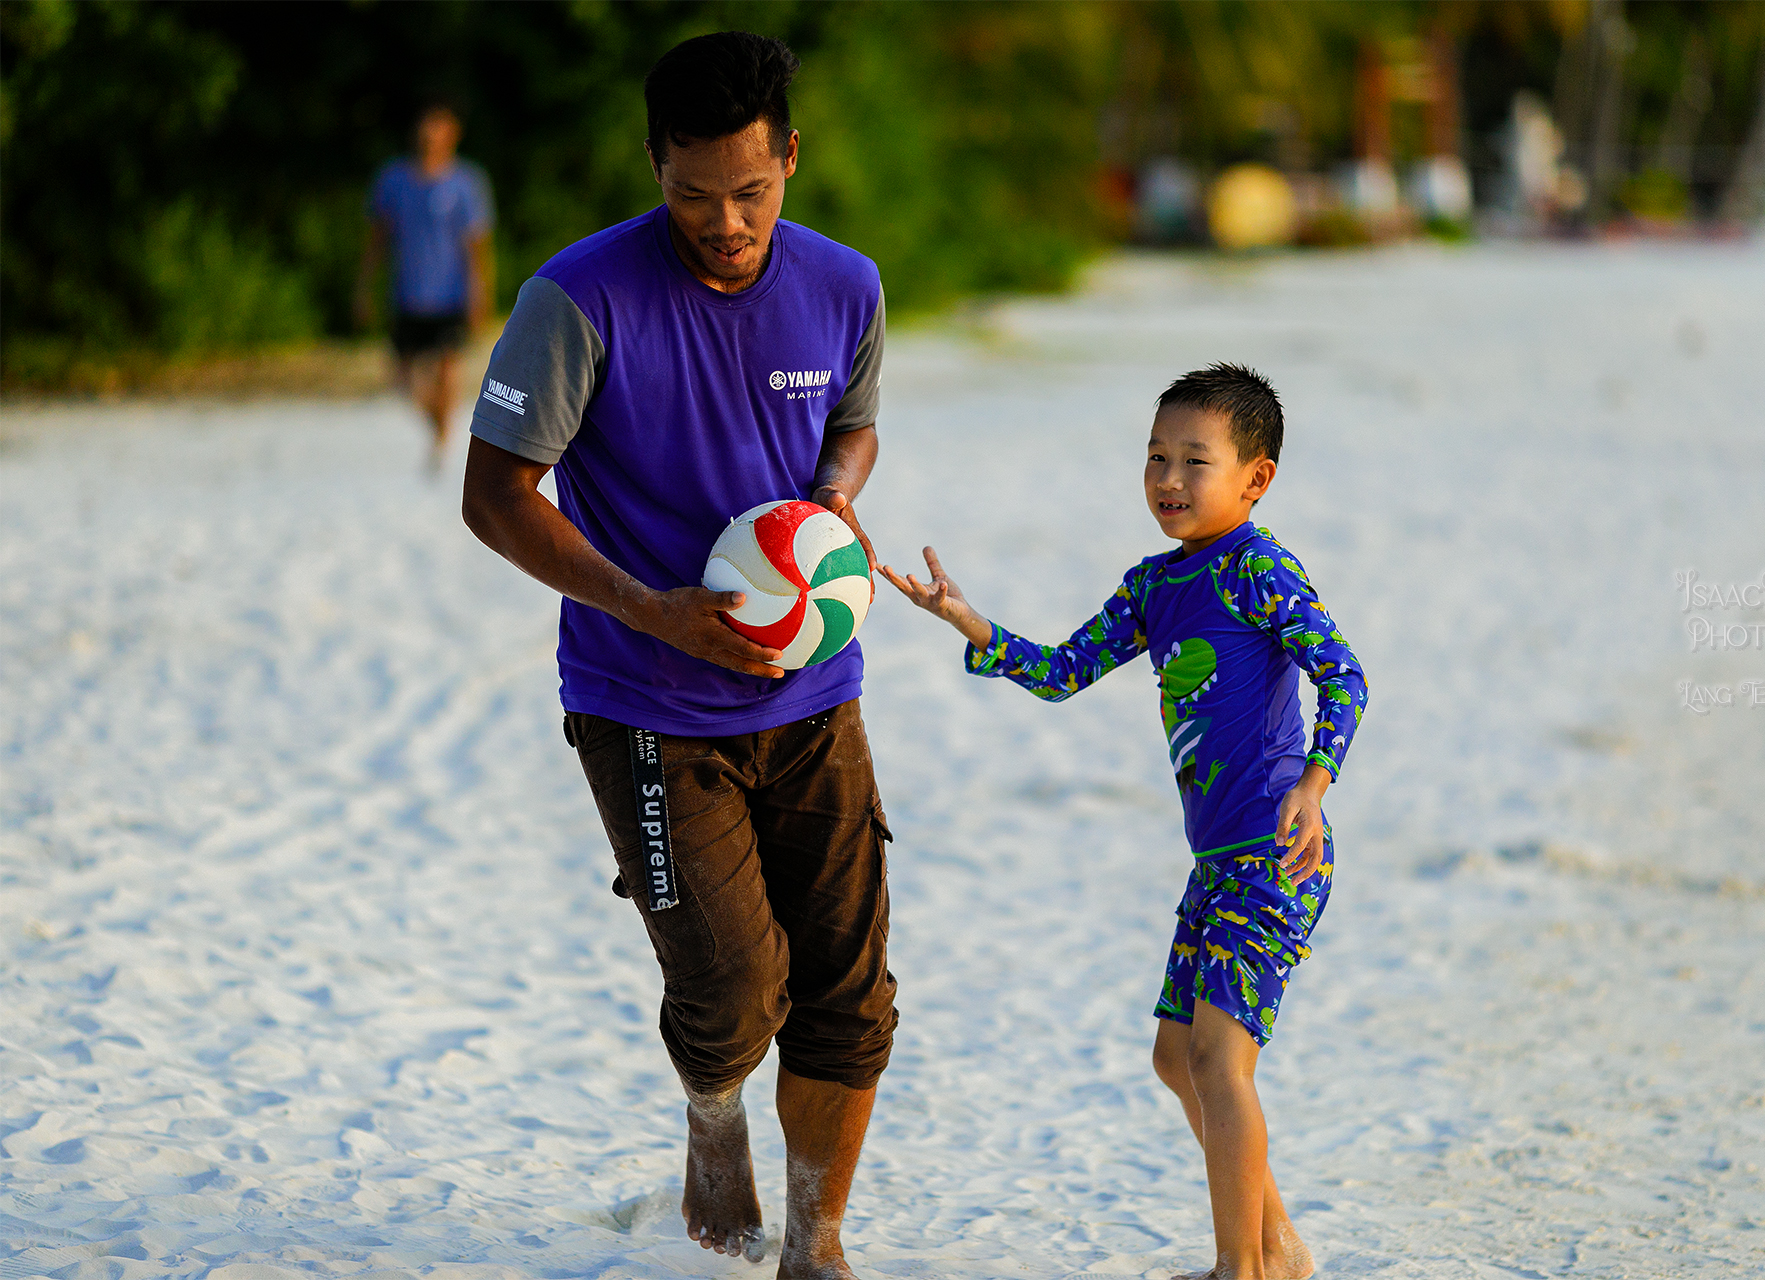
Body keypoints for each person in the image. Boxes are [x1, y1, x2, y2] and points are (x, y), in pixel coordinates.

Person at [459, 32, 889, 1280]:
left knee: (849, 994)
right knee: (735, 988)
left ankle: (817, 1243)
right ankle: (713, 1107)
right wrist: (650, 607)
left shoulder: (846, 284)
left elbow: (852, 427)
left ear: (790, 160)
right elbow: (496, 496)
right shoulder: (578, 297)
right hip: (642, 696)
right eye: (693, 194)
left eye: (751, 192)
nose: (725, 220)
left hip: (815, 688)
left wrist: (832, 500)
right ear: (654, 166)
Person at [883, 364, 1367, 1280]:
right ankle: (1280, 1248)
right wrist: (970, 622)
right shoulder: (1153, 586)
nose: (1169, 480)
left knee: (1220, 1060)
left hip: (1277, 847)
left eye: (1196, 461)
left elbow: (1344, 672)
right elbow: (1065, 671)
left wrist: (1315, 782)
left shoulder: (1258, 567)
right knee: (1174, 1057)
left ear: (1255, 480)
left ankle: (1242, 1270)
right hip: (1216, 860)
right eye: (1155, 458)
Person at [358, 102, 497, 470]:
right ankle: (436, 425)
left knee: (448, 367)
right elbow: (377, 240)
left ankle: (443, 435)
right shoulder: (393, 180)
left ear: (453, 134)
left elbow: (477, 246)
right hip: (407, 292)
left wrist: (479, 291)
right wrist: (364, 287)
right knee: (401, 376)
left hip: (450, 292)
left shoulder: (466, 183)